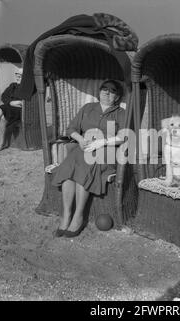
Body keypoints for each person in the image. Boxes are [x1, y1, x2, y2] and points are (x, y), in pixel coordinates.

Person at [52, 79, 126, 238]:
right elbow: (71, 128)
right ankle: (66, 214)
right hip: (84, 147)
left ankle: (78, 217)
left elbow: (123, 136)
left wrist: (102, 142)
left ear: (117, 96)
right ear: (99, 92)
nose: (107, 93)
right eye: (104, 89)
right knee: (68, 166)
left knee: (86, 164)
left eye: (112, 91)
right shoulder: (88, 108)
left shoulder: (121, 113)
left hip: (107, 151)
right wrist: (80, 139)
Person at [0, 68, 23, 151]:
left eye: (20, 76)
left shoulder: (26, 88)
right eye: (17, 75)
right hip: (9, 109)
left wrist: (19, 102)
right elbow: (3, 96)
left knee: (3, 108)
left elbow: (27, 102)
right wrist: (11, 102)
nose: (17, 77)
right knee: (3, 117)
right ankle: (2, 144)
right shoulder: (13, 85)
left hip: (20, 111)